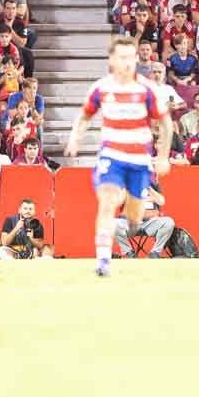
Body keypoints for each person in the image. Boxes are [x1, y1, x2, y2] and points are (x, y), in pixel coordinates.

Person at [65, 36, 174, 277]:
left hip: (139, 160)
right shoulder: (101, 88)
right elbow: (84, 116)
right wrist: (75, 138)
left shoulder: (147, 89)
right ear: (112, 60)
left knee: (134, 214)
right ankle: (103, 259)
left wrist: (163, 156)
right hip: (112, 156)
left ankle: (133, 222)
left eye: (130, 57)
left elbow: (166, 124)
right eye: (121, 57)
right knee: (107, 202)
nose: (126, 62)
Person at [114, 181, 175, 258]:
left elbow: (161, 202)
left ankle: (155, 252)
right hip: (130, 223)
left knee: (168, 222)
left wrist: (148, 187)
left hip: (150, 222)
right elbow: (118, 202)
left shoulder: (153, 185)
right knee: (112, 223)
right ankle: (129, 253)